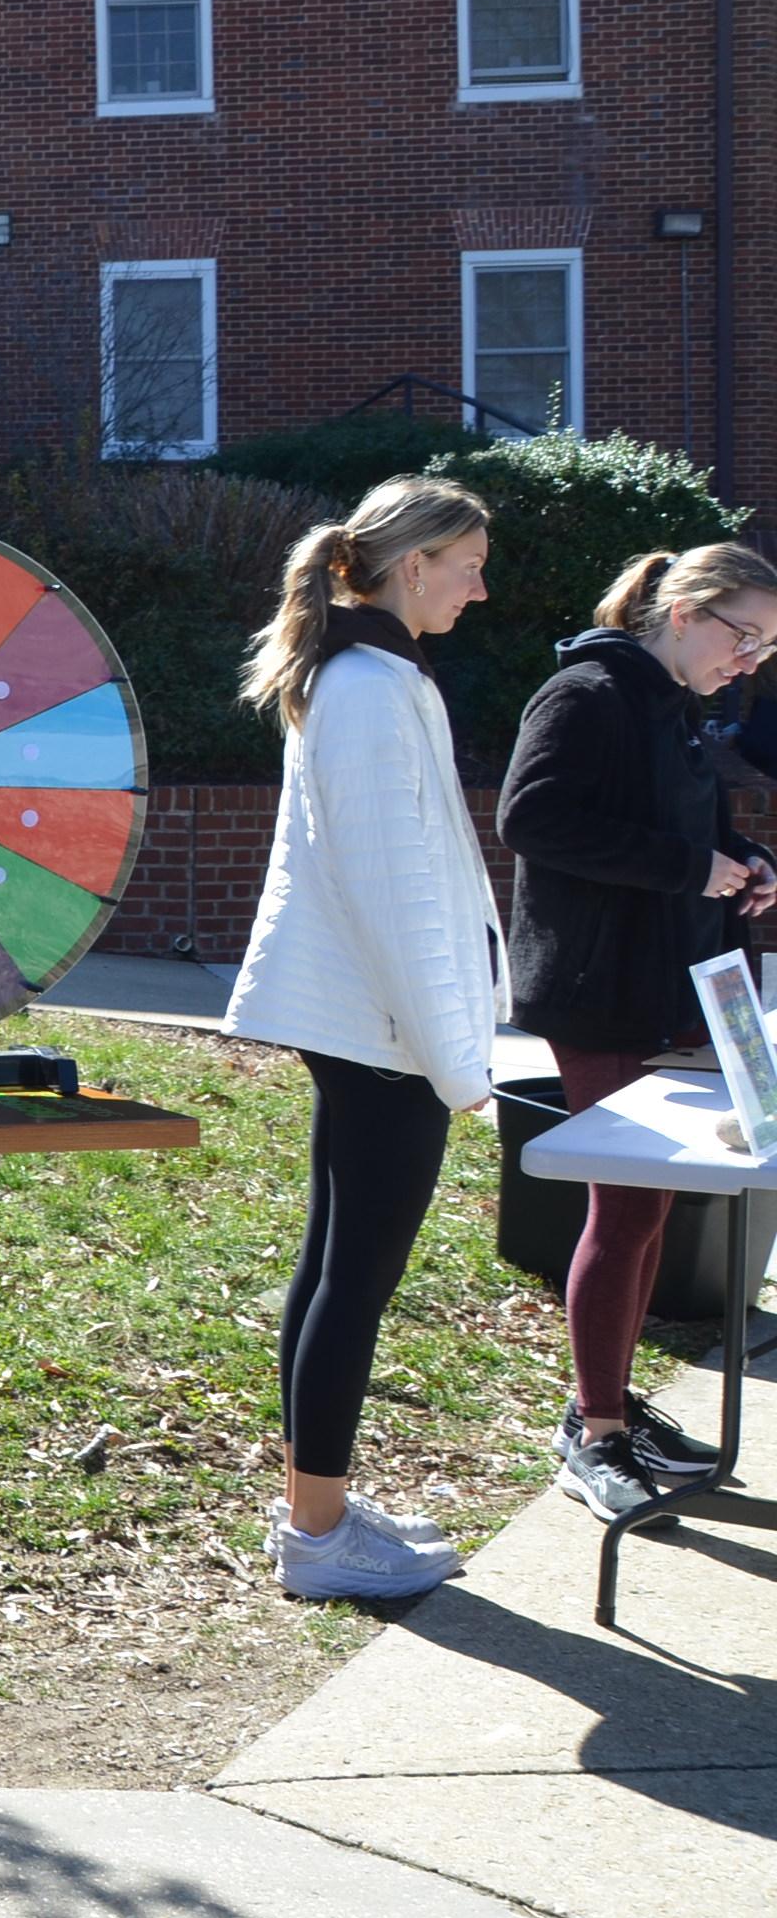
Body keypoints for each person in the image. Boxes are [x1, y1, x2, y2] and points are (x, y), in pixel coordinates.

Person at [221, 474, 500, 1602]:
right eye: (470, 564)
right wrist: (455, 1057)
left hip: (372, 1027)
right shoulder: (373, 687)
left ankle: (316, 1508)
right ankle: (320, 1535)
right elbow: (394, 895)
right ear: (413, 563)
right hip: (386, 1031)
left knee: (337, 1268)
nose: (481, 589)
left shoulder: (367, 675)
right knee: (356, 1276)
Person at [500, 543, 777, 1520]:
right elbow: (532, 820)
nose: (749, 662)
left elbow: (686, 829)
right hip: (599, 991)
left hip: (669, 986)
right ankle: (595, 1431)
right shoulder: (586, 692)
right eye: (742, 637)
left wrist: (743, 859)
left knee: (649, 1212)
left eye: (765, 649)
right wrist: (686, 867)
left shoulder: (677, 708)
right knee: (624, 1214)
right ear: (687, 610)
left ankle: (609, 1403)